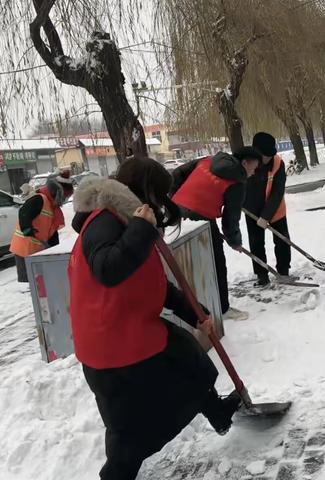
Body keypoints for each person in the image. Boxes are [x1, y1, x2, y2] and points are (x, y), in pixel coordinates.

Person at [68, 156, 241, 480]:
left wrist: (195, 312)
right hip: (115, 347)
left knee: (188, 362)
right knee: (131, 429)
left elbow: (151, 286)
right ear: (145, 191)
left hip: (117, 338)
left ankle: (217, 413)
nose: (163, 204)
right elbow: (108, 269)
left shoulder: (123, 220)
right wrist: (139, 229)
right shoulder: (105, 222)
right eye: (160, 195)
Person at [171, 147, 261, 320]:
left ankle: (193, 305)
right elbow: (230, 219)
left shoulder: (209, 160)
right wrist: (235, 242)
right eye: (253, 167)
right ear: (244, 163)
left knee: (184, 261)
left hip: (175, 212)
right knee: (217, 262)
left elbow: (177, 173)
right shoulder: (237, 183)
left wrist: (175, 197)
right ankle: (223, 308)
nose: (253, 172)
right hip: (200, 217)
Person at [244, 132, 291, 286]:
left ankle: (283, 271)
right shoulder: (245, 163)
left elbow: (277, 192)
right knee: (256, 243)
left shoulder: (277, 163)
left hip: (275, 208)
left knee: (282, 240)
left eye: (270, 154)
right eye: (265, 155)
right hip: (251, 211)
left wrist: (266, 216)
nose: (268, 158)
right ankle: (261, 275)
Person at [9, 171, 73, 282]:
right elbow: (23, 212)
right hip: (25, 249)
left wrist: (55, 251)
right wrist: (27, 229)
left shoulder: (52, 206)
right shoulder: (39, 199)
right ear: (57, 192)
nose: (65, 199)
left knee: (41, 284)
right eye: (65, 196)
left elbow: (51, 230)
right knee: (33, 284)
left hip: (37, 251)